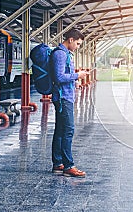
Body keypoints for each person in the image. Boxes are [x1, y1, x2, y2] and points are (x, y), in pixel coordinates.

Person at [49, 29, 89, 177]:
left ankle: (58, 163)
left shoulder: (66, 54)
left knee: (60, 130)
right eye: (77, 43)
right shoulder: (60, 54)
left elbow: (65, 76)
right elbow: (59, 77)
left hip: (65, 96)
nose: (78, 46)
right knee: (68, 130)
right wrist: (78, 75)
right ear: (71, 40)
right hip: (63, 98)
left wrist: (75, 80)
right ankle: (68, 166)